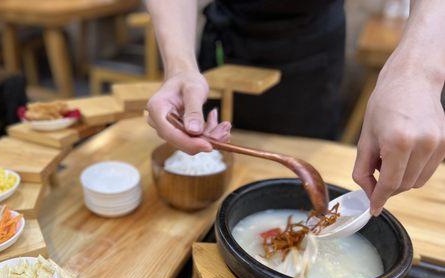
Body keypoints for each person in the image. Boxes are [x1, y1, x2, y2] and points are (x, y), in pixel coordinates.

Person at [145, 0, 445, 216]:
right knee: (217, 152)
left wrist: (416, 71)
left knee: (303, 179)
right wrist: (179, 66)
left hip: (312, 48)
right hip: (227, 38)